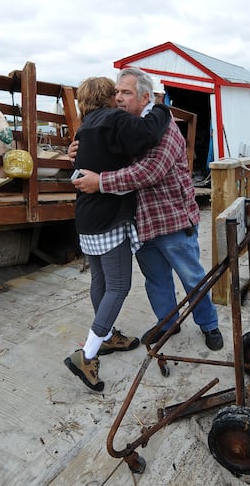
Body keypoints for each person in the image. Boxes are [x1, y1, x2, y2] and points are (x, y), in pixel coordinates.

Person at [71, 67, 223, 351]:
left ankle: (209, 325)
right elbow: (104, 151)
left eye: (126, 93)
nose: (118, 98)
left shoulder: (162, 128)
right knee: (156, 280)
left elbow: (148, 171)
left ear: (144, 97)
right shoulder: (125, 127)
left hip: (173, 219)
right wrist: (78, 151)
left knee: (192, 278)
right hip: (141, 223)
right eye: (116, 92)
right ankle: (168, 324)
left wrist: (100, 181)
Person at [64, 76, 172, 392]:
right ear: (110, 97)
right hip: (109, 218)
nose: (121, 98)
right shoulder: (114, 119)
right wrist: (161, 107)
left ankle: (108, 336)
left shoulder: (84, 128)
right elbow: (149, 133)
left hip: (85, 216)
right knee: (120, 285)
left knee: (100, 281)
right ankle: (87, 353)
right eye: (118, 93)